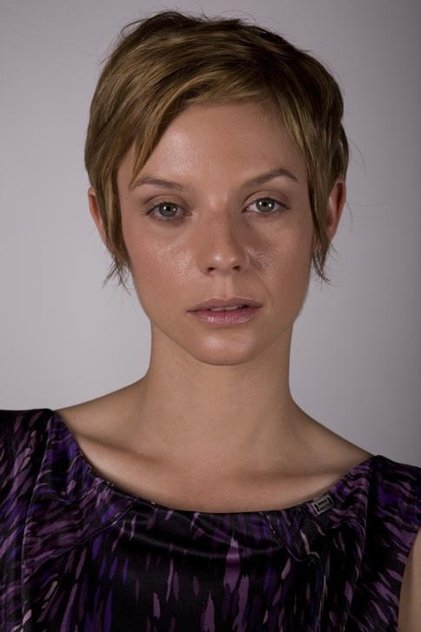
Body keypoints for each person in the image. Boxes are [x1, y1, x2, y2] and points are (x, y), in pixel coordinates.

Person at [0, 10, 419, 631]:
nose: (224, 253)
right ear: (110, 223)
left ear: (326, 213)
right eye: (169, 208)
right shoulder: (12, 474)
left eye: (265, 203)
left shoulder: (403, 533)